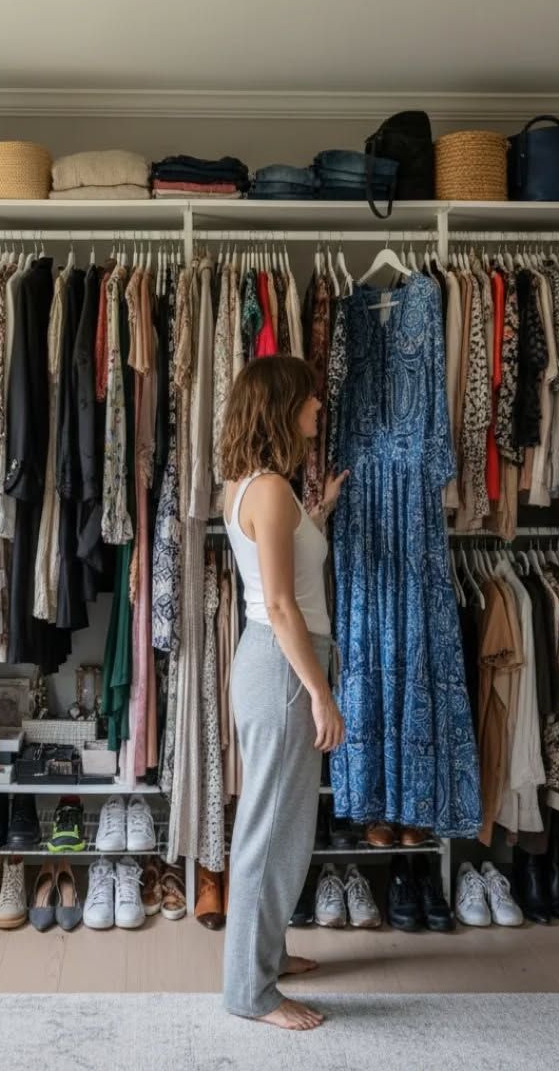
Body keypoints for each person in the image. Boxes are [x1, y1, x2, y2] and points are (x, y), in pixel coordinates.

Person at [218, 355, 347, 1031]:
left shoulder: (257, 487)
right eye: (310, 400)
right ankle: (250, 991)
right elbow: (279, 602)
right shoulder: (268, 490)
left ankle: (265, 956)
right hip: (284, 665)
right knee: (269, 831)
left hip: (274, 662)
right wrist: (321, 693)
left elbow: (283, 575)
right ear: (282, 406)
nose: (318, 409)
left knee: (283, 826)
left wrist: (315, 512)